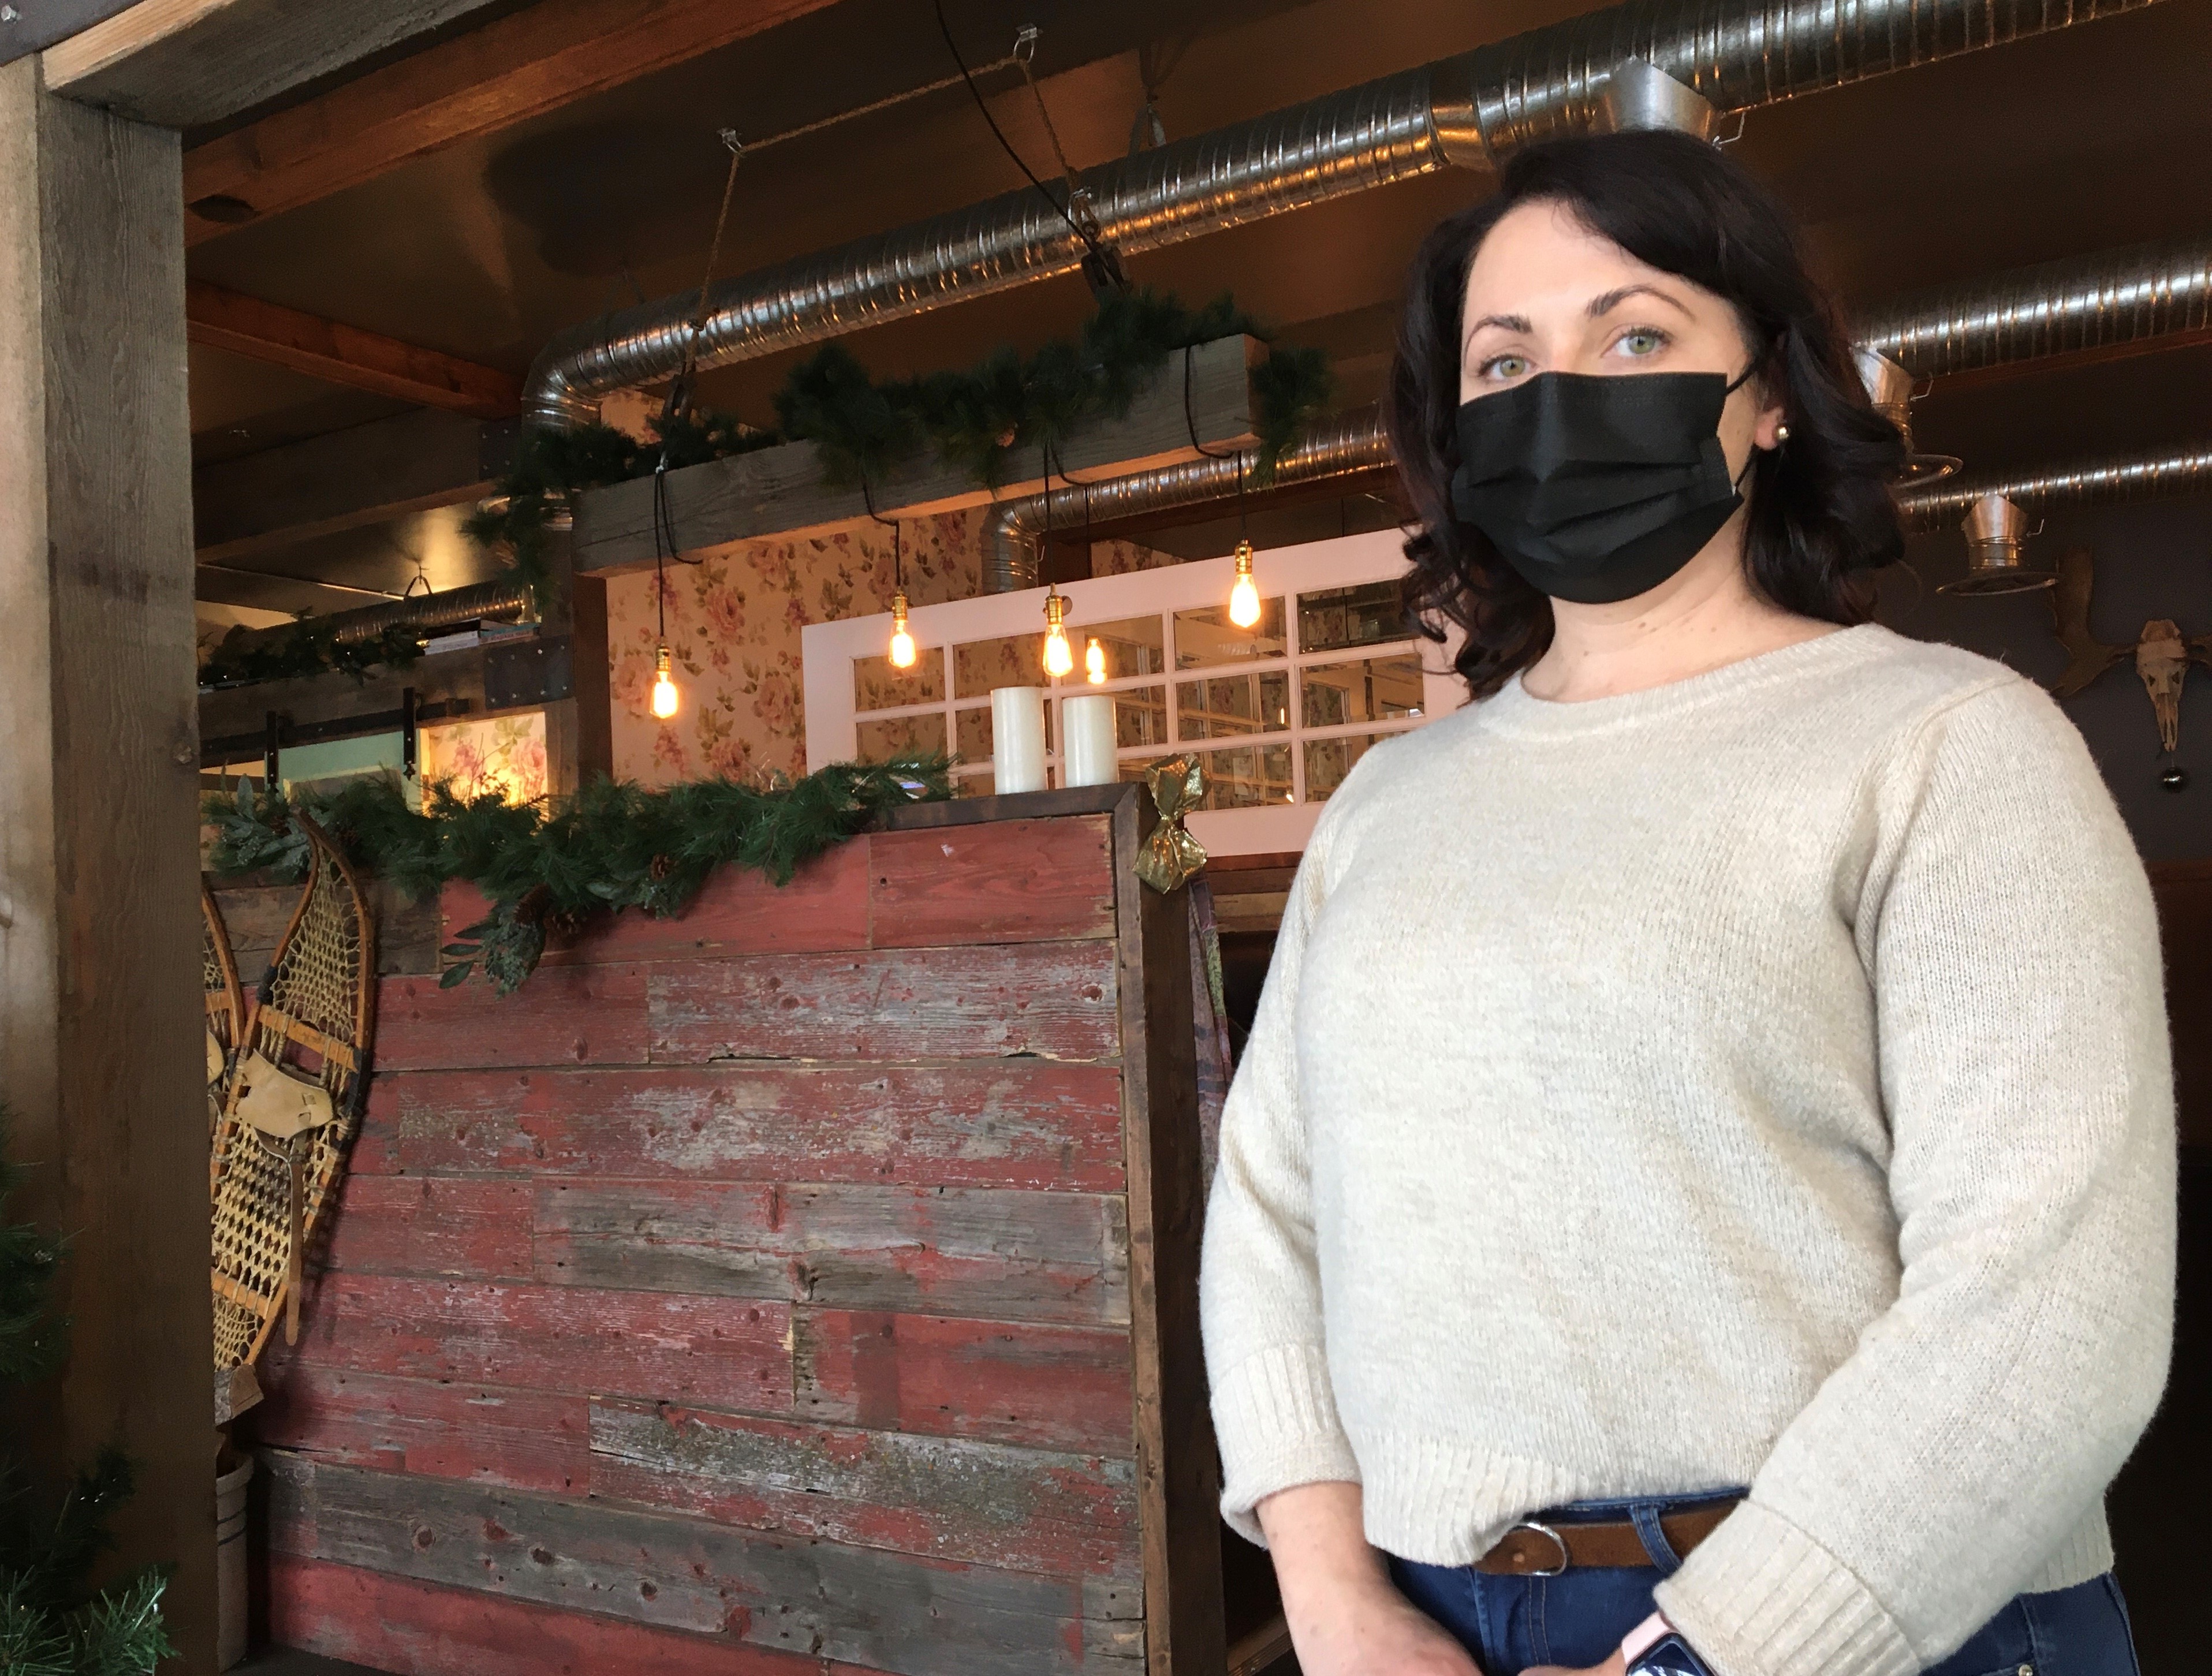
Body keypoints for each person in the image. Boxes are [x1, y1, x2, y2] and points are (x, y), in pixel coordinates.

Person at [1197, 129, 2174, 1676]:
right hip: (1421, 1616)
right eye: (1504, 363)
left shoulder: (1948, 746)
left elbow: (2053, 1302)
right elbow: (1269, 1214)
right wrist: (1331, 1597)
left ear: (1770, 393)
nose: (1562, 398)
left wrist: (1701, 1660)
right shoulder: (1387, 802)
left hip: (1870, 1617)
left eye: (1636, 337)